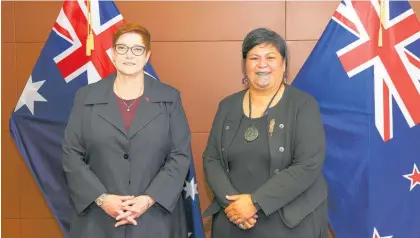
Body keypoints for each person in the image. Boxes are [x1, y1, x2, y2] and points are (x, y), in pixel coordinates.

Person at [62, 22, 191, 238]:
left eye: (137, 49)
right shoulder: (86, 97)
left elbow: (180, 154)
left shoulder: (169, 98)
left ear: (147, 55)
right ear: (113, 53)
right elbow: (71, 154)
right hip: (98, 219)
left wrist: (148, 199)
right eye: (122, 48)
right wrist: (102, 198)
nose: (129, 55)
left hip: (155, 217)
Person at [203, 27, 328, 238]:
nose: (262, 65)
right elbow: (211, 158)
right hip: (235, 219)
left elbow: (308, 164)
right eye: (254, 58)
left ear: (284, 64)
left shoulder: (303, 105)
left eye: (270, 57)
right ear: (245, 65)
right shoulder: (227, 106)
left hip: (290, 222)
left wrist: (255, 202)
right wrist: (234, 205)